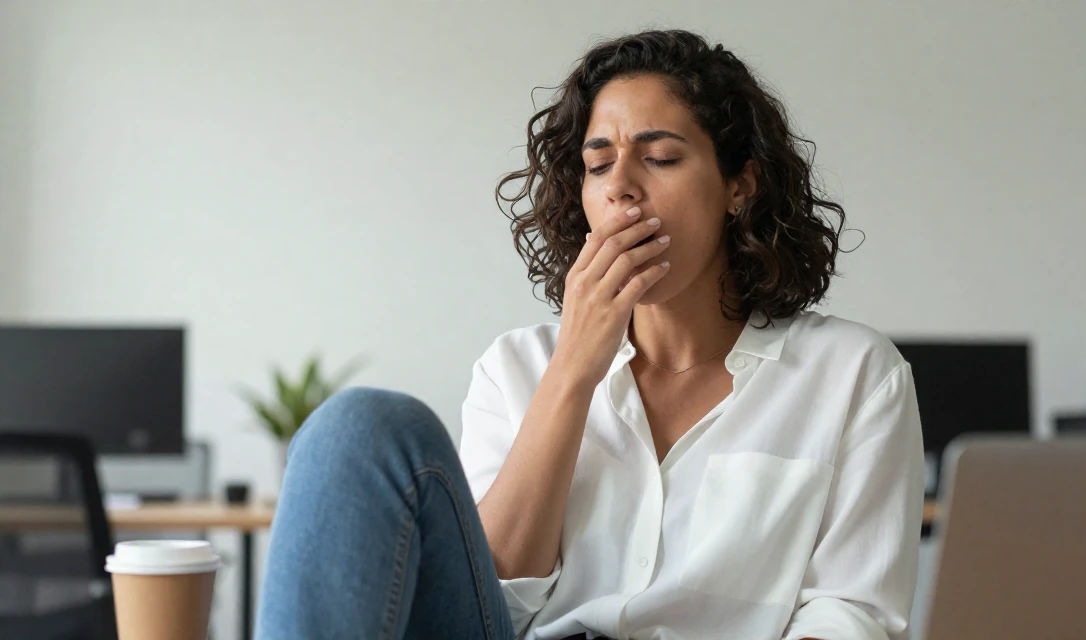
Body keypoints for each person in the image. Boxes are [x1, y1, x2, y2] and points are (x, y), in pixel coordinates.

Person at [256, 28, 924, 640]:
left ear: (738, 186)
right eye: (599, 166)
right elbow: (494, 598)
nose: (621, 188)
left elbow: (851, 616)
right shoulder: (517, 366)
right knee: (359, 425)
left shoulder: (853, 373)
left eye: (660, 157)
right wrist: (574, 370)